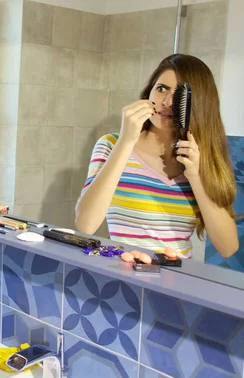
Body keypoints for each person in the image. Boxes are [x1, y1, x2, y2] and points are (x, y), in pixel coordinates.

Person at [75, 53, 238, 258]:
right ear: (149, 92)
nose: (167, 102)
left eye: (179, 94)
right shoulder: (111, 145)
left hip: (177, 283)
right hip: (122, 279)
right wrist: (126, 141)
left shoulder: (201, 158)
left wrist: (196, 176)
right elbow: (85, 224)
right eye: (161, 89)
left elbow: (228, 247)